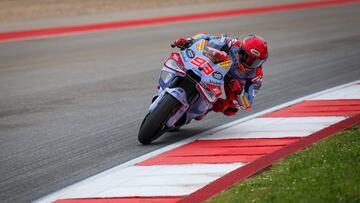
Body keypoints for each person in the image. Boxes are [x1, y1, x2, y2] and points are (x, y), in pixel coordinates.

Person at [173, 33, 268, 117]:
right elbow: (207, 37)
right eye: (246, 56)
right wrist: (190, 40)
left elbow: (247, 103)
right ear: (240, 50)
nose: (248, 62)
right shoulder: (233, 43)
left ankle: (206, 108)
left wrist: (238, 90)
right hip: (217, 64)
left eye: (254, 61)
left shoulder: (257, 75)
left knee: (231, 109)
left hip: (231, 81)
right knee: (189, 54)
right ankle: (174, 77)